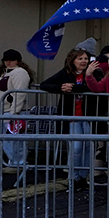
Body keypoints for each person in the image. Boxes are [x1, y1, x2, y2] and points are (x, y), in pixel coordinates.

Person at [40, 48, 99, 186]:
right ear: (72, 61)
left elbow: (95, 87)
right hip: (72, 116)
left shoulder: (94, 72)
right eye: (80, 58)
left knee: (88, 146)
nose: (83, 61)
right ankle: (73, 177)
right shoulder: (66, 73)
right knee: (77, 147)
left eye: (85, 58)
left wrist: (73, 88)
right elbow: (45, 84)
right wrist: (61, 87)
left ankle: (84, 177)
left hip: (89, 115)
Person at [0, 50, 35, 173]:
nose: (8, 62)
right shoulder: (3, 74)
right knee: (8, 140)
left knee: (15, 140)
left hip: (13, 111)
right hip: (4, 110)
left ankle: (18, 163)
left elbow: (19, 93)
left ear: (18, 61)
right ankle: (15, 162)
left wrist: (13, 112)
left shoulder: (19, 73)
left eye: (12, 59)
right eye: (6, 60)